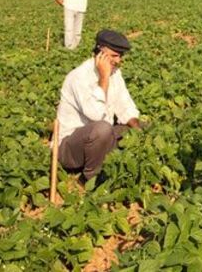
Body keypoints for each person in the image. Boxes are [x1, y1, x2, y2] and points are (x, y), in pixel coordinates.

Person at [55, 29, 141, 184]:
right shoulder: (79, 77)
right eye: (114, 55)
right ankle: (90, 178)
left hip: (98, 140)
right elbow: (96, 115)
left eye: (121, 56)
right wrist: (103, 78)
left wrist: (139, 130)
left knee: (138, 127)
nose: (118, 60)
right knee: (102, 129)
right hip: (70, 149)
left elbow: (125, 105)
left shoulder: (115, 73)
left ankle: (111, 164)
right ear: (100, 52)